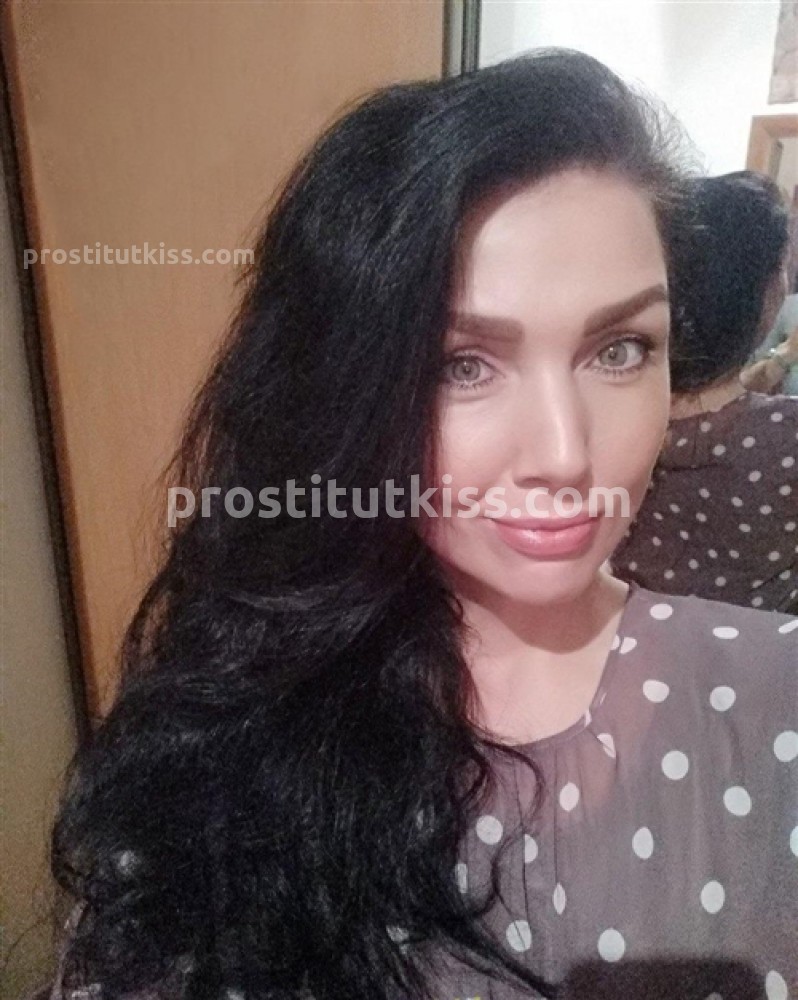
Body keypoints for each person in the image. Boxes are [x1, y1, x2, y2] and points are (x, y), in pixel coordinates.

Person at [38, 52, 796, 1000]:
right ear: (347, 390)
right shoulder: (242, 704)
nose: (564, 455)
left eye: (619, 349)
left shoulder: (774, 699)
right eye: (462, 365)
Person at [613, 172, 798, 613]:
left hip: (636, 630)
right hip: (756, 643)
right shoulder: (786, 434)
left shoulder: (617, 414)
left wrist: (781, 359)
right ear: (764, 296)